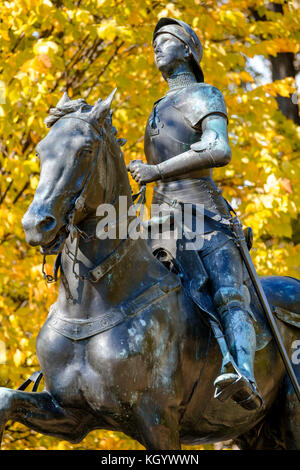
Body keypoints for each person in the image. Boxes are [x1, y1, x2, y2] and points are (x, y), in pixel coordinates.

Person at [127, 17, 262, 410]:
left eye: (165, 40)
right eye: (154, 41)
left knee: (228, 295)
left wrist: (156, 171)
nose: (156, 46)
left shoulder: (203, 93)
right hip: (160, 220)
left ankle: (245, 375)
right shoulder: (158, 106)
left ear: (187, 50)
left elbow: (219, 148)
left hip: (204, 214)